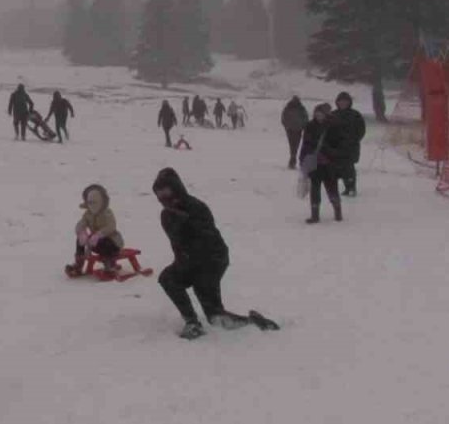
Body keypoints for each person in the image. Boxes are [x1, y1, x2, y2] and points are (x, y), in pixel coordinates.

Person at [151, 167, 260, 339]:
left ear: (176, 187)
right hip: (188, 262)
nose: (163, 196)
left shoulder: (196, 207)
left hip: (212, 262)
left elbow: (209, 238)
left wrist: (189, 223)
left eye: (166, 190)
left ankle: (254, 323)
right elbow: (178, 243)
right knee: (168, 279)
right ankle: (192, 322)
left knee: (215, 316)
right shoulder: (167, 215)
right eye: (159, 193)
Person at [299, 103, 348, 223]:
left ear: (326, 115)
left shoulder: (334, 126)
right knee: (314, 190)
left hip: (329, 163)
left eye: (321, 114)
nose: (318, 116)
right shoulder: (310, 126)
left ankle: (338, 212)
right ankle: (314, 215)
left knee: (332, 188)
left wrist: (329, 151)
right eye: (316, 113)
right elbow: (305, 144)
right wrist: (302, 159)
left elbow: (341, 145)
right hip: (314, 162)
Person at [66, 184, 124, 275]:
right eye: (90, 203)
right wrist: (81, 232)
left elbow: (111, 226)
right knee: (79, 240)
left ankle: (109, 265)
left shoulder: (107, 213)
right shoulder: (88, 214)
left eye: (95, 202)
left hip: (112, 242)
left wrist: (99, 234)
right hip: (95, 242)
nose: (92, 205)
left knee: (104, 242)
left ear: (102, 202)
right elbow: (81, 223)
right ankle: (79, 263)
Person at [332, 92, 366, 197]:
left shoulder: (355, 115)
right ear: (337, 102)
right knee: (337, 168)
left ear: (349, 102)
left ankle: (351, 187)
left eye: (345, 101)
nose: (343, 103)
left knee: (349, 168)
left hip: (351, 147)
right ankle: (344, 187)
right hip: (336, 147)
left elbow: (361, 130)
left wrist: (354, 140)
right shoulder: (333, 115)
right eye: (341, 101)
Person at [281, 96, 309, 169]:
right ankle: (292, 160)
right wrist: (286, 126)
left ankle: (293, 160)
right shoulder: (288, 108)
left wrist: (303, 126)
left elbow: (305, 118)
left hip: (298, 130)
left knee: (295, 145)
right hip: (290, 130)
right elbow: (283, 118)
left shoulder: (301, 109)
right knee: (292, 145)